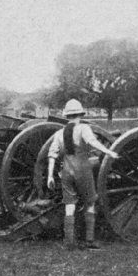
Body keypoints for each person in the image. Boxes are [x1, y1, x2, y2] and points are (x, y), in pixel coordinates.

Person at [46, 99, 119, 250]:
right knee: (90, 203)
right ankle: (89, 241)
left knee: (69, 205)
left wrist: (50, 176)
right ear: (80, 114)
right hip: (83, 170)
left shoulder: (59, 133)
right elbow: (92, 141)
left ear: (67, 116)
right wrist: (109, 152)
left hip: (66, 171)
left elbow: (52, 154)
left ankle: (69, 243)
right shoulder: (84, 128)